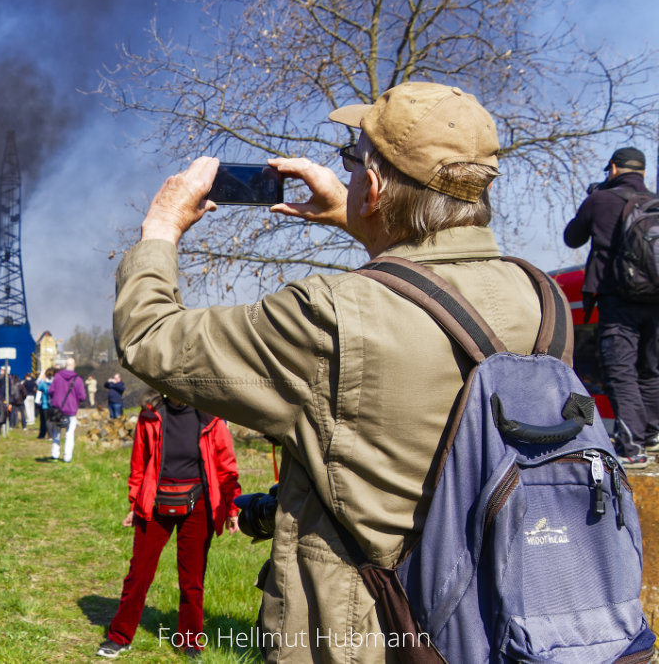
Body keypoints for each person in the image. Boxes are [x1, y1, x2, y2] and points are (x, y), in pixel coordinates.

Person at [114, 81, 547, 662]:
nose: (346, 175)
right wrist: (362, 218)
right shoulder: (541, 301)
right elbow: (433, 285)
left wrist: (161, 228)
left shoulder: (328, 318)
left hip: (364, 636)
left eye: (352, 162)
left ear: (372, 185)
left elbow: (149, 339)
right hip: (495, 621)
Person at [97, 395, 241, 660]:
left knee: (192, 580)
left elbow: (226, 467)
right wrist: (133, 503)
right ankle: (120, 636)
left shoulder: (211, 415)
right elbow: (138, 464)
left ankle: (190, 642)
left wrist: (233, 508)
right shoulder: (151, 414)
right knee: (138, 574)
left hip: (199, 504)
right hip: (154, 502)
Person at [564, 147, 656, 467]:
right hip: (656, 302)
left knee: (620, 370)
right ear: (642, 172)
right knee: (651, 369)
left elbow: (572, 238)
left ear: (613, 169)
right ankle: (652, 435)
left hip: (618, 300)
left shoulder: (600, 200)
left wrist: (594, 197)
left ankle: (632, 447)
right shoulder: (654, 202)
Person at [48, 357, 86, 462]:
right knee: (70, 434)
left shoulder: (57, 377)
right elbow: (82, 396)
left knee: (56, 432)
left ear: (65, 366)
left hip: (58, 410)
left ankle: (55, 454)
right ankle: (67, 457)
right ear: (74, 366)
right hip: (71, 410)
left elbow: (50, 391)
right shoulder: (78, 380)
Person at [36, 368, 54, 440]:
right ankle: (53, 434)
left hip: (45, 404)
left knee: (47, 420)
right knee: (53, 420)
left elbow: (38, 385)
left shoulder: (43, 384)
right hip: (53, 404)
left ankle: (50, 436)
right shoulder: (55, 382)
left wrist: (41, 375)